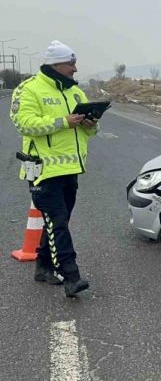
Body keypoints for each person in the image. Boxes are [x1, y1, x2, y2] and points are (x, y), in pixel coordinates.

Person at [9, 40, 99, 297]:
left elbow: (89, 133)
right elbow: (24, 124)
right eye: (71, 64)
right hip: (42, 170)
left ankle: (43, 267)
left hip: (70, 169)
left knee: (59, 221)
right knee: (57, 222)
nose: (75, 69)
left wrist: (91, 124)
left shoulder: (75, 93)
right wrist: (63, 121)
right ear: (56, 64)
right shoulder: (29, 89)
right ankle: (71, 275)